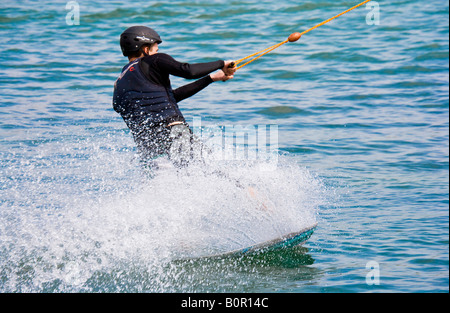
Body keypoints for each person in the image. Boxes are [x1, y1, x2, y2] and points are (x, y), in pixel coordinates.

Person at [113, 26, 236, 167]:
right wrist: (221, 64)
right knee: (211, 174)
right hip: (173, 131)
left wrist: (211, 78)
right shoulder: (154, 60)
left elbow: (169, 98)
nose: (156, 53)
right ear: (146, 50)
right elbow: (188, 71)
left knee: (170, 184)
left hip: (148, 145)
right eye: (155, 50)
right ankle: (248, 190)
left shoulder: (119, 84)